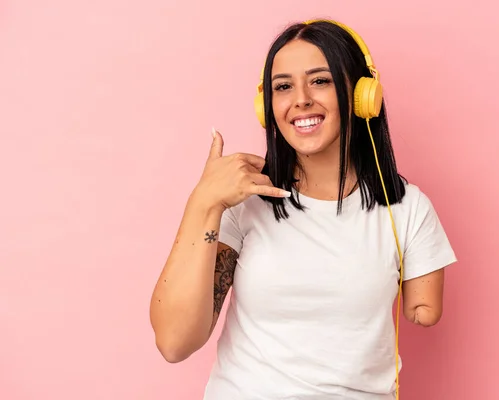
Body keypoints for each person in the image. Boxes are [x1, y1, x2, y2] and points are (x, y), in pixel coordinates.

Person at [150, 19, 457, 400]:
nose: (301, 100)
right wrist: (202, 204)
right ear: (268, 106)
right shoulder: (245, 200)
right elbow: (174, 343)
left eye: (320, 80)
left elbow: (424, 309)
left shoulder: (407, 209)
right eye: (283, 87)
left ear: (363, 95)